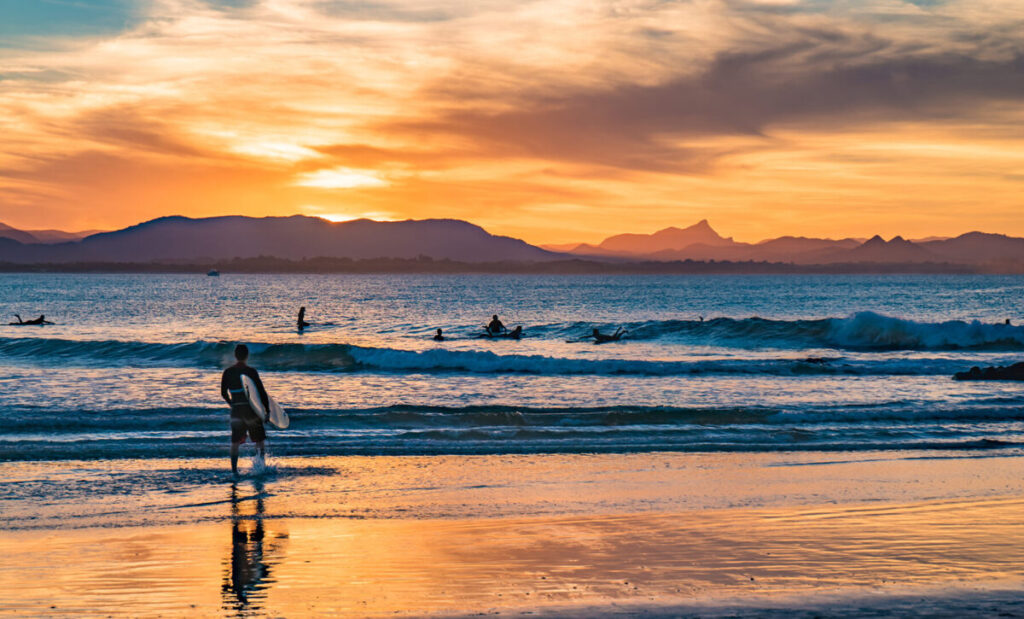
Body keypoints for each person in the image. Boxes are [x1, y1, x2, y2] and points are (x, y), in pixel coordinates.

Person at [220, 344, 269, 475]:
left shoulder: (228, 372)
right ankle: (261, 467)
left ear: (235, 356)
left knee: (235, 442)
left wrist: (232, 404)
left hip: (236, 410)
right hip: (251, 411)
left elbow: (223, 393)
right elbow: (261, 392)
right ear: (247, 356)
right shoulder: (251, 372)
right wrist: (267, 410)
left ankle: (234, 471)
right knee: (259, 440)